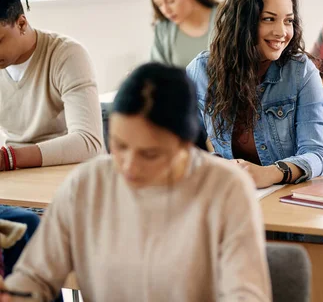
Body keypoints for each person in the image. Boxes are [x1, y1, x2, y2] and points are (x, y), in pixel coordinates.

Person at [0, 63, 271, 302]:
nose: (128, 165)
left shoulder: (225, 188)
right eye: (119, 146)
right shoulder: (87, 184)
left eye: (149, 154)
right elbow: (35, 278)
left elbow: (245, 295)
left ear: (186, 144)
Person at [187, 0, 323, 189]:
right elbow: (183, 146)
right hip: (225, 194)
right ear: (243, 21)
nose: (281, 31)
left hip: (284, 201)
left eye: (288, 21)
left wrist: (271, 173)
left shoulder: (300, 72)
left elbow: (318, 154)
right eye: (268, 19)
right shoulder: (202, 70)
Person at [0, 0, 103, 168]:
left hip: (69, 173)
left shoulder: (67, 55)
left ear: (21, 24)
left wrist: (9, 158)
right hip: (16, 177)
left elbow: (88, 142)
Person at [149, 0, 219, 67]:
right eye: (159, 4)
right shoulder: (163, 28)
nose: (165, 10)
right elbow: (157, 72)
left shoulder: (226, 19)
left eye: (170, 1)